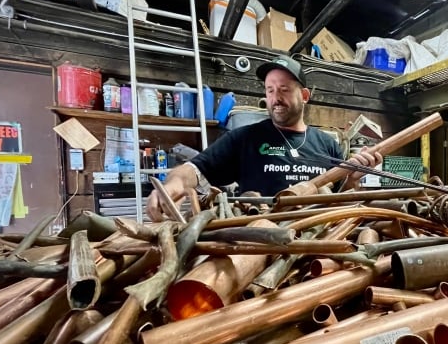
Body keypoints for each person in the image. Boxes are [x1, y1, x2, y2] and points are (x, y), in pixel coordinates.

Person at [147, 54, 382, 222]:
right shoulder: (245, 138)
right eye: (270, 90)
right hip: (258, 242)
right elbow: (193, 169)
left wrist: (353, 180)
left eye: (284, 89)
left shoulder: (327, 144)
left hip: (315, 243)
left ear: (305, 95)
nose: (275, 98)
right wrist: (172, 185)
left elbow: (341, 200)